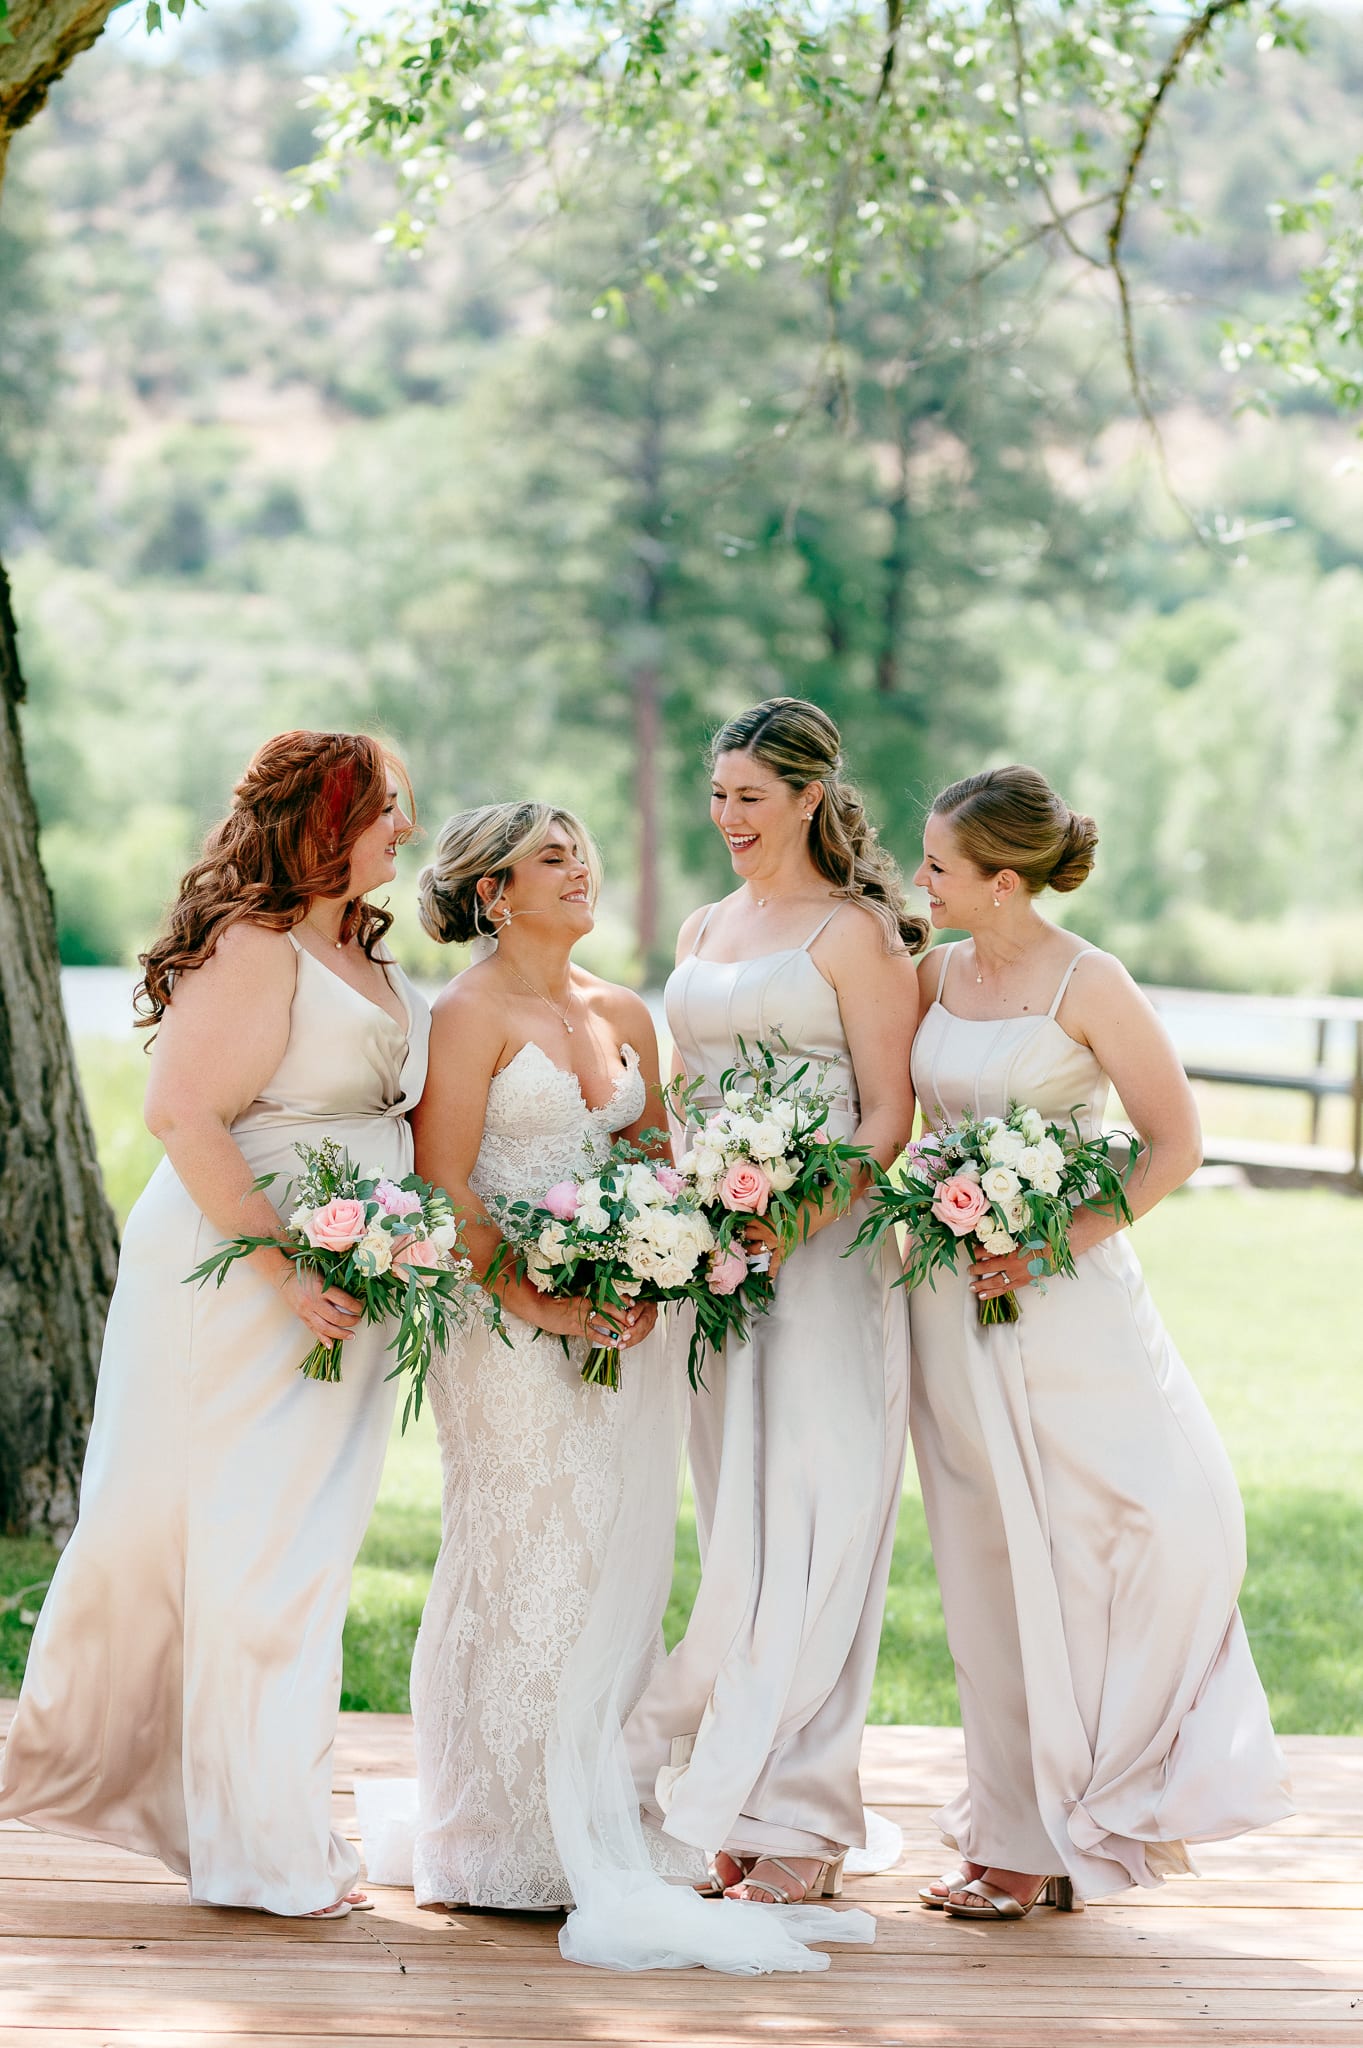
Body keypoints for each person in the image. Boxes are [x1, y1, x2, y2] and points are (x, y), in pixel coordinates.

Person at [0, 730, 429, 1919]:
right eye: (389, 808)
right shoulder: (256, 944)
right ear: (327, 819)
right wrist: (288, 1262)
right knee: (252, 1549)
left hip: (342, 1270)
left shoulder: (359, 944)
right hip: (240, 1273)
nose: (405, 827)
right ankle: (260, 1846)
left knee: (298, 1552)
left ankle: (257, 1823)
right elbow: (185, 1114)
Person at [908, 764, 1291, 1921]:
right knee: (982, 1561)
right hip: (944, 1294)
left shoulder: (1090, 979)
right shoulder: (933, 967)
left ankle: (1085, 1811)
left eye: (937, 866)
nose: (918, 881)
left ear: (1004, 881)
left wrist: (1047, 1242)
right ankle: (1008, 1827)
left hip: (1065, 1306)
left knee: (1098, 1546)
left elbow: (1171, 1143)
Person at [625, 695, 921, 1911]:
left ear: (809, 796)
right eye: (717, 793)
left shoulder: (856, 934)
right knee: (739, 1527)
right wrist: (692, 1203)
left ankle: (804, 1808)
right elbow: (686, 1093)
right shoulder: (704, 922)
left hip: (830, 1260)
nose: (727, 816)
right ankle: (734, 1786)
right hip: (715, 1261)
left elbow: (887, 1115)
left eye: (750, 795)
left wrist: (796, 1215)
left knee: (823, 1513)